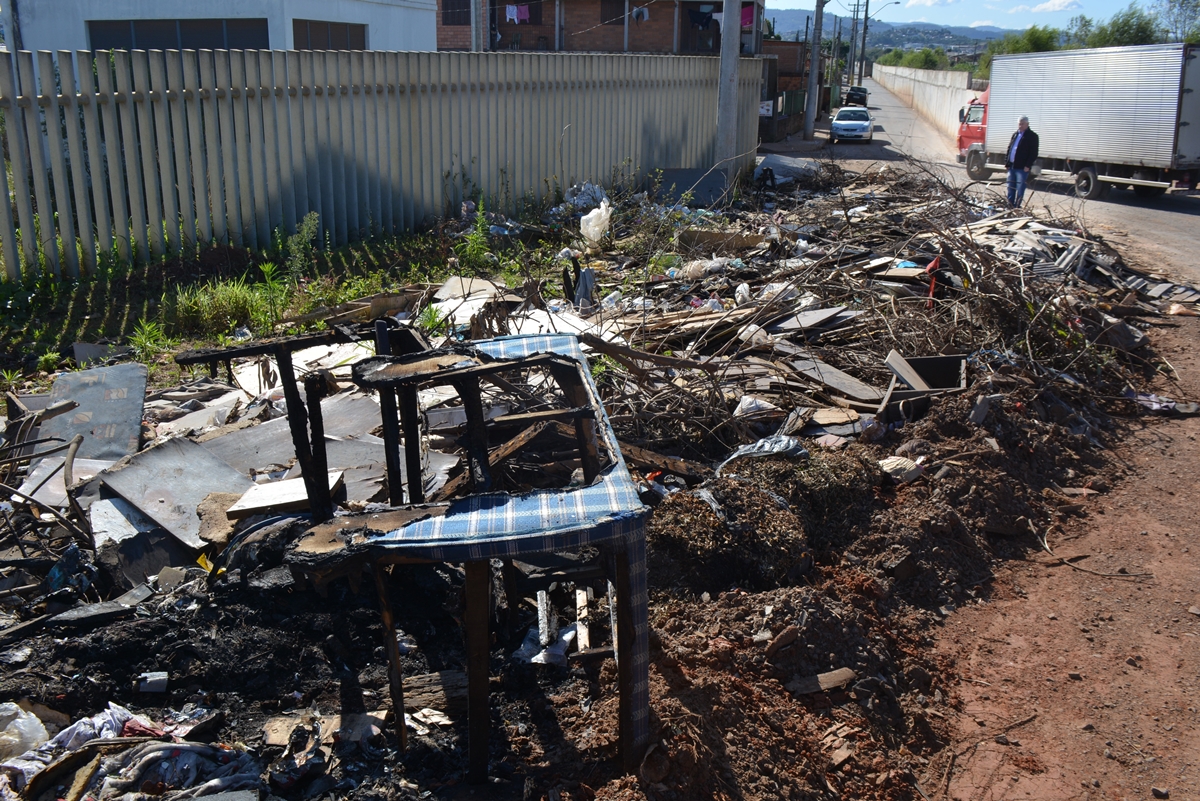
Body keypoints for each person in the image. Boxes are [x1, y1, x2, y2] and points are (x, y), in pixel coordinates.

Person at [1005, 116, 1039, 207]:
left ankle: (1017, 206)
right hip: (1012, 166)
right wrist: (1007, 162)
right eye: (1019, 123)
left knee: (1020, 188)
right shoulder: (1015, 134)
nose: (1020, 125)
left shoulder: (1032, 136)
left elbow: (1033, 153)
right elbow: (1010, 149)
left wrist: (1028, 165)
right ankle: (1010, 205)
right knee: (1010, 187)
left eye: (1022, 124)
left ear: (1027, 124)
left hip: (1022, 168)